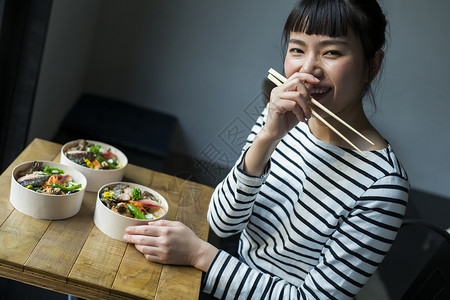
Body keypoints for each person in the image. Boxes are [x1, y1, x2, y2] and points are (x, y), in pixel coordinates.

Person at [123, 0, 410, 298]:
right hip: (224, 275)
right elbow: (222, 223)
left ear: (372, 65)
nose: (308, 69)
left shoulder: (384, 186)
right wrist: (267, 138)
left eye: (332, 52)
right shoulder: (284, 118)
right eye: (297, 49)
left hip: (221, 274)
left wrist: (200, 256)